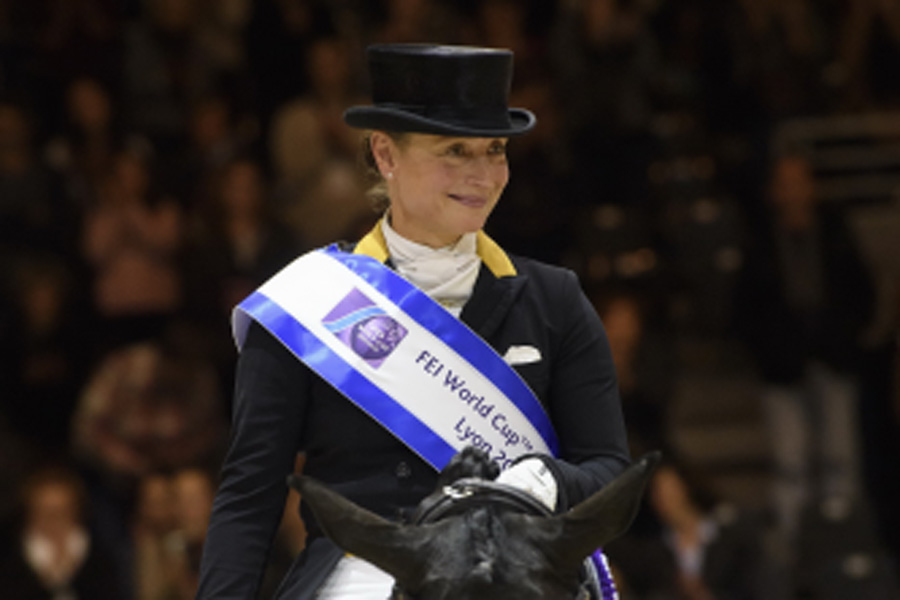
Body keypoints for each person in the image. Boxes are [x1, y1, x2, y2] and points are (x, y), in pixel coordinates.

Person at [195, 43, 631, 600]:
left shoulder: (556, 300)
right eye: (455, 150)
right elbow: (249, 495)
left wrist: (547, 479)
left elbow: (609, 472)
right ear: (385, 154)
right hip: (364, 568)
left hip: (516, 566)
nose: (484, 174)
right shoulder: (310, 301)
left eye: (495, 150)